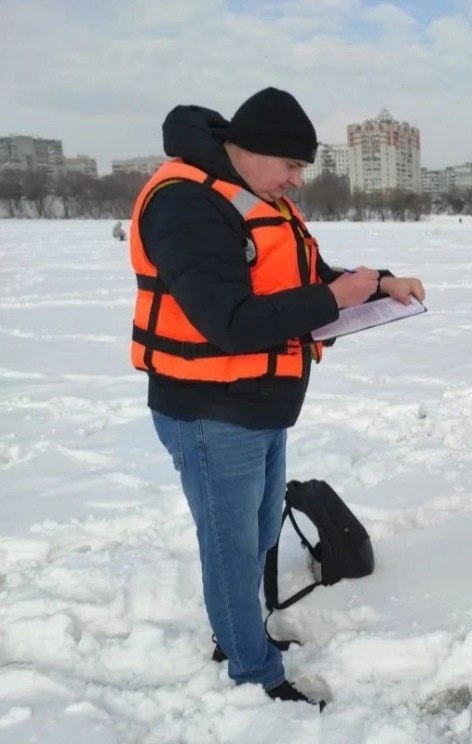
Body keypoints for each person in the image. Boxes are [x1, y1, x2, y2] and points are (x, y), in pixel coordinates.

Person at [129, 87, 425, 708]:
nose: (295, 181)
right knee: (232, 548)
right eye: (291, 167)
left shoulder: (251, 195)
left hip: (258, 404)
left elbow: (299, 273)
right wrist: (331, 302)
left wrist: (376, 285)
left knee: (260, 530)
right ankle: (252, 673)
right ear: (252, 150)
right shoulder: (185, 203)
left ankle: (241, 636)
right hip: (209, 408)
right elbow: (227, 320)